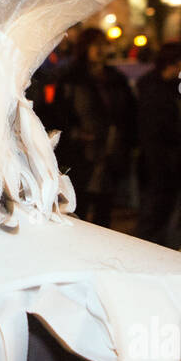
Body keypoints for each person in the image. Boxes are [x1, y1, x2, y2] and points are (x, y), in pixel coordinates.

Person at [56, 28, 137, 226]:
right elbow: (59, 115)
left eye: (103, 44)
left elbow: (128, 113)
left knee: (104, 210)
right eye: (95, 45)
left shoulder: (115, 79)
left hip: (109, 152)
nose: (100, 50)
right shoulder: (71, 78)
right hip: (82, 154)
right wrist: (75, 134)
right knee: (78, 208)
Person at [133, 41, 181, 247]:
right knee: (153, 210)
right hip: (157, 158)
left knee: (169, 209)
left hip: (176, 156)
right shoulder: (151, 86)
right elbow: (152, 127)